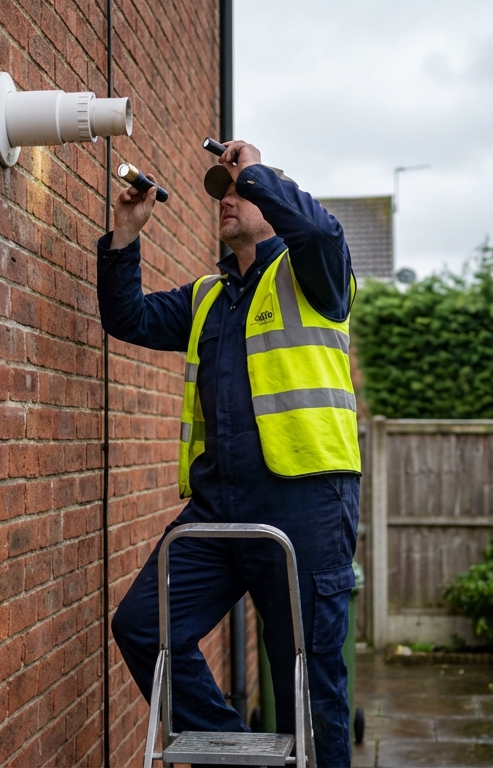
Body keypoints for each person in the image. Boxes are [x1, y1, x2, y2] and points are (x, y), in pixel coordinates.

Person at [100, 140, 360, 766]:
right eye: (226, 190)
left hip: (307, 501)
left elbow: (321, 228)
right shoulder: (206, 297)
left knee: (310, 686)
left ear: (275, 201)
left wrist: (256, 171)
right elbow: (127, 317)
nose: (230, 197)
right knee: (142, 626)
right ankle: (241, 755)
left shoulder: (316, 273)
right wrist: (126, 234)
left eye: (243, 191)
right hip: (218, 508)